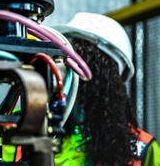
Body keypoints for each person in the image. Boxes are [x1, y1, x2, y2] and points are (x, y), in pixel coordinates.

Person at [52, 12, 160, 166]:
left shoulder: (141, 149)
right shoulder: (24, 128)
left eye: (81, 59)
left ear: (105, 80)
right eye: (61, 58)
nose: (63, 69)